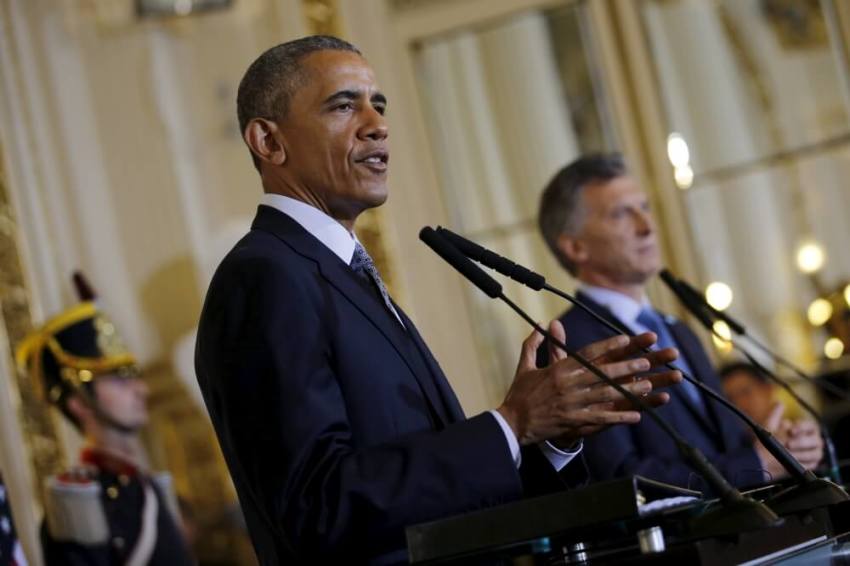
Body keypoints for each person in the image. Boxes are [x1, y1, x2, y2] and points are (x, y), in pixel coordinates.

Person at [194, 36, 682, 565]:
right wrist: (510, 425)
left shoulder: (340, 272)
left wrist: (545, 440)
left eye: (378, 104)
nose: (376, 123)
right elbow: (316, 510)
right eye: (342, 105)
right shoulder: (265, 277)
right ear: (268, 140)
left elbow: (440, 501)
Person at [537, 153, 824, 491]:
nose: (647, 227)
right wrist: (754, 465)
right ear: (575, 247)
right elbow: (619, 478)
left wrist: (785, 447)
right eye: (620, 214)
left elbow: (723, 445)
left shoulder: (678, 330)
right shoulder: (570, 342)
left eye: (645, 208)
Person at [16, 291, 194, 566]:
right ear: (80, 402)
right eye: (119, 380)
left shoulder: (148, 487)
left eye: (133, 375)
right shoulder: (75, 507)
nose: (141, 389)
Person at [720, 362, 821, 470]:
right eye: (730, 399)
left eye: (745, 392)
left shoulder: (802, 436)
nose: (739, 403)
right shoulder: (735, 457)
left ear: (768, 390)